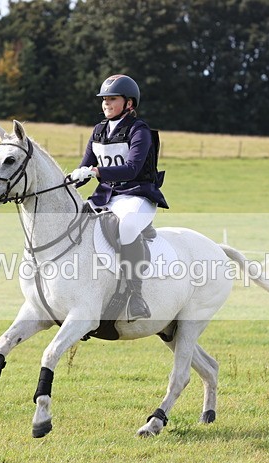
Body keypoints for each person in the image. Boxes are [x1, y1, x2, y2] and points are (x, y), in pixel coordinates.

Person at [71, 74, 168, 321]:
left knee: (126, 228)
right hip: (107, 196)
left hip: (138, 195)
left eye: (112, 99)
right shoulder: (99, 130)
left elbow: (132, 168)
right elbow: (86, 169)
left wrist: (96, 171)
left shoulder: (139, 130)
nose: (106, 104)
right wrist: (70, 179)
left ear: (129, 103)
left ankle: (136, 294)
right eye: (104, 99)